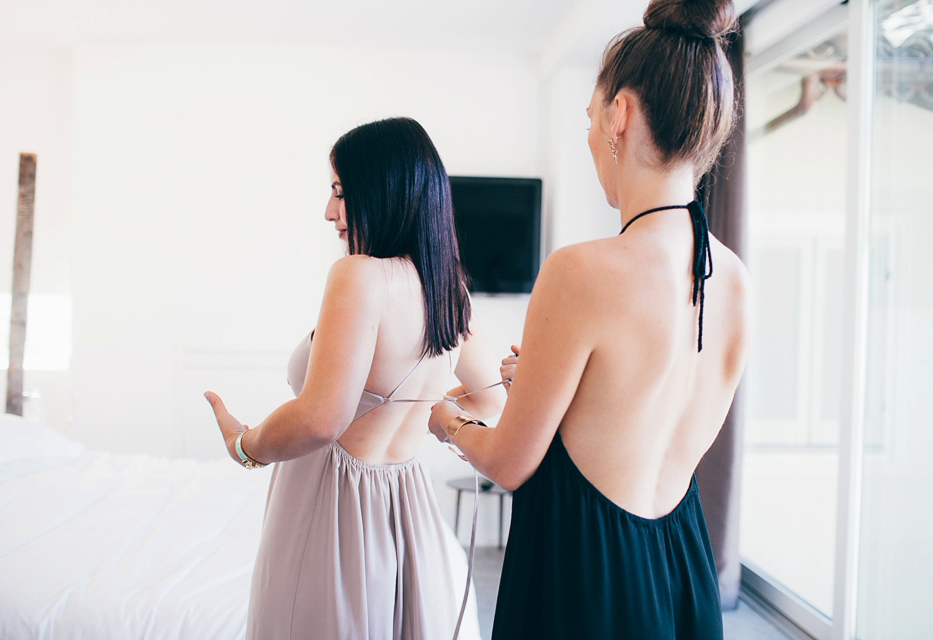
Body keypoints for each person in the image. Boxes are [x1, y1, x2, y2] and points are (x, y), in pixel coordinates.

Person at [429, 0, 751, 637]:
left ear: (620, 115)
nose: (587, 138)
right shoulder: (736, 279)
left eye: (589, 117)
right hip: (680, 565)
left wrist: (448, 420)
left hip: (590, 577)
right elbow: (647, 418)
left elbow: (509, 463)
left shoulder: (580, 272)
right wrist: (556, 390)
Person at [205, 117, 505, 640]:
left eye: (340, 194)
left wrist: (243, 443)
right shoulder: (448, 289)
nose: (328, 213)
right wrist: (431, 408)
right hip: (404, 506)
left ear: (383, 191)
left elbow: (322, 420)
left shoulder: (360, 274)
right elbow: (490, 403)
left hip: (331, 511)